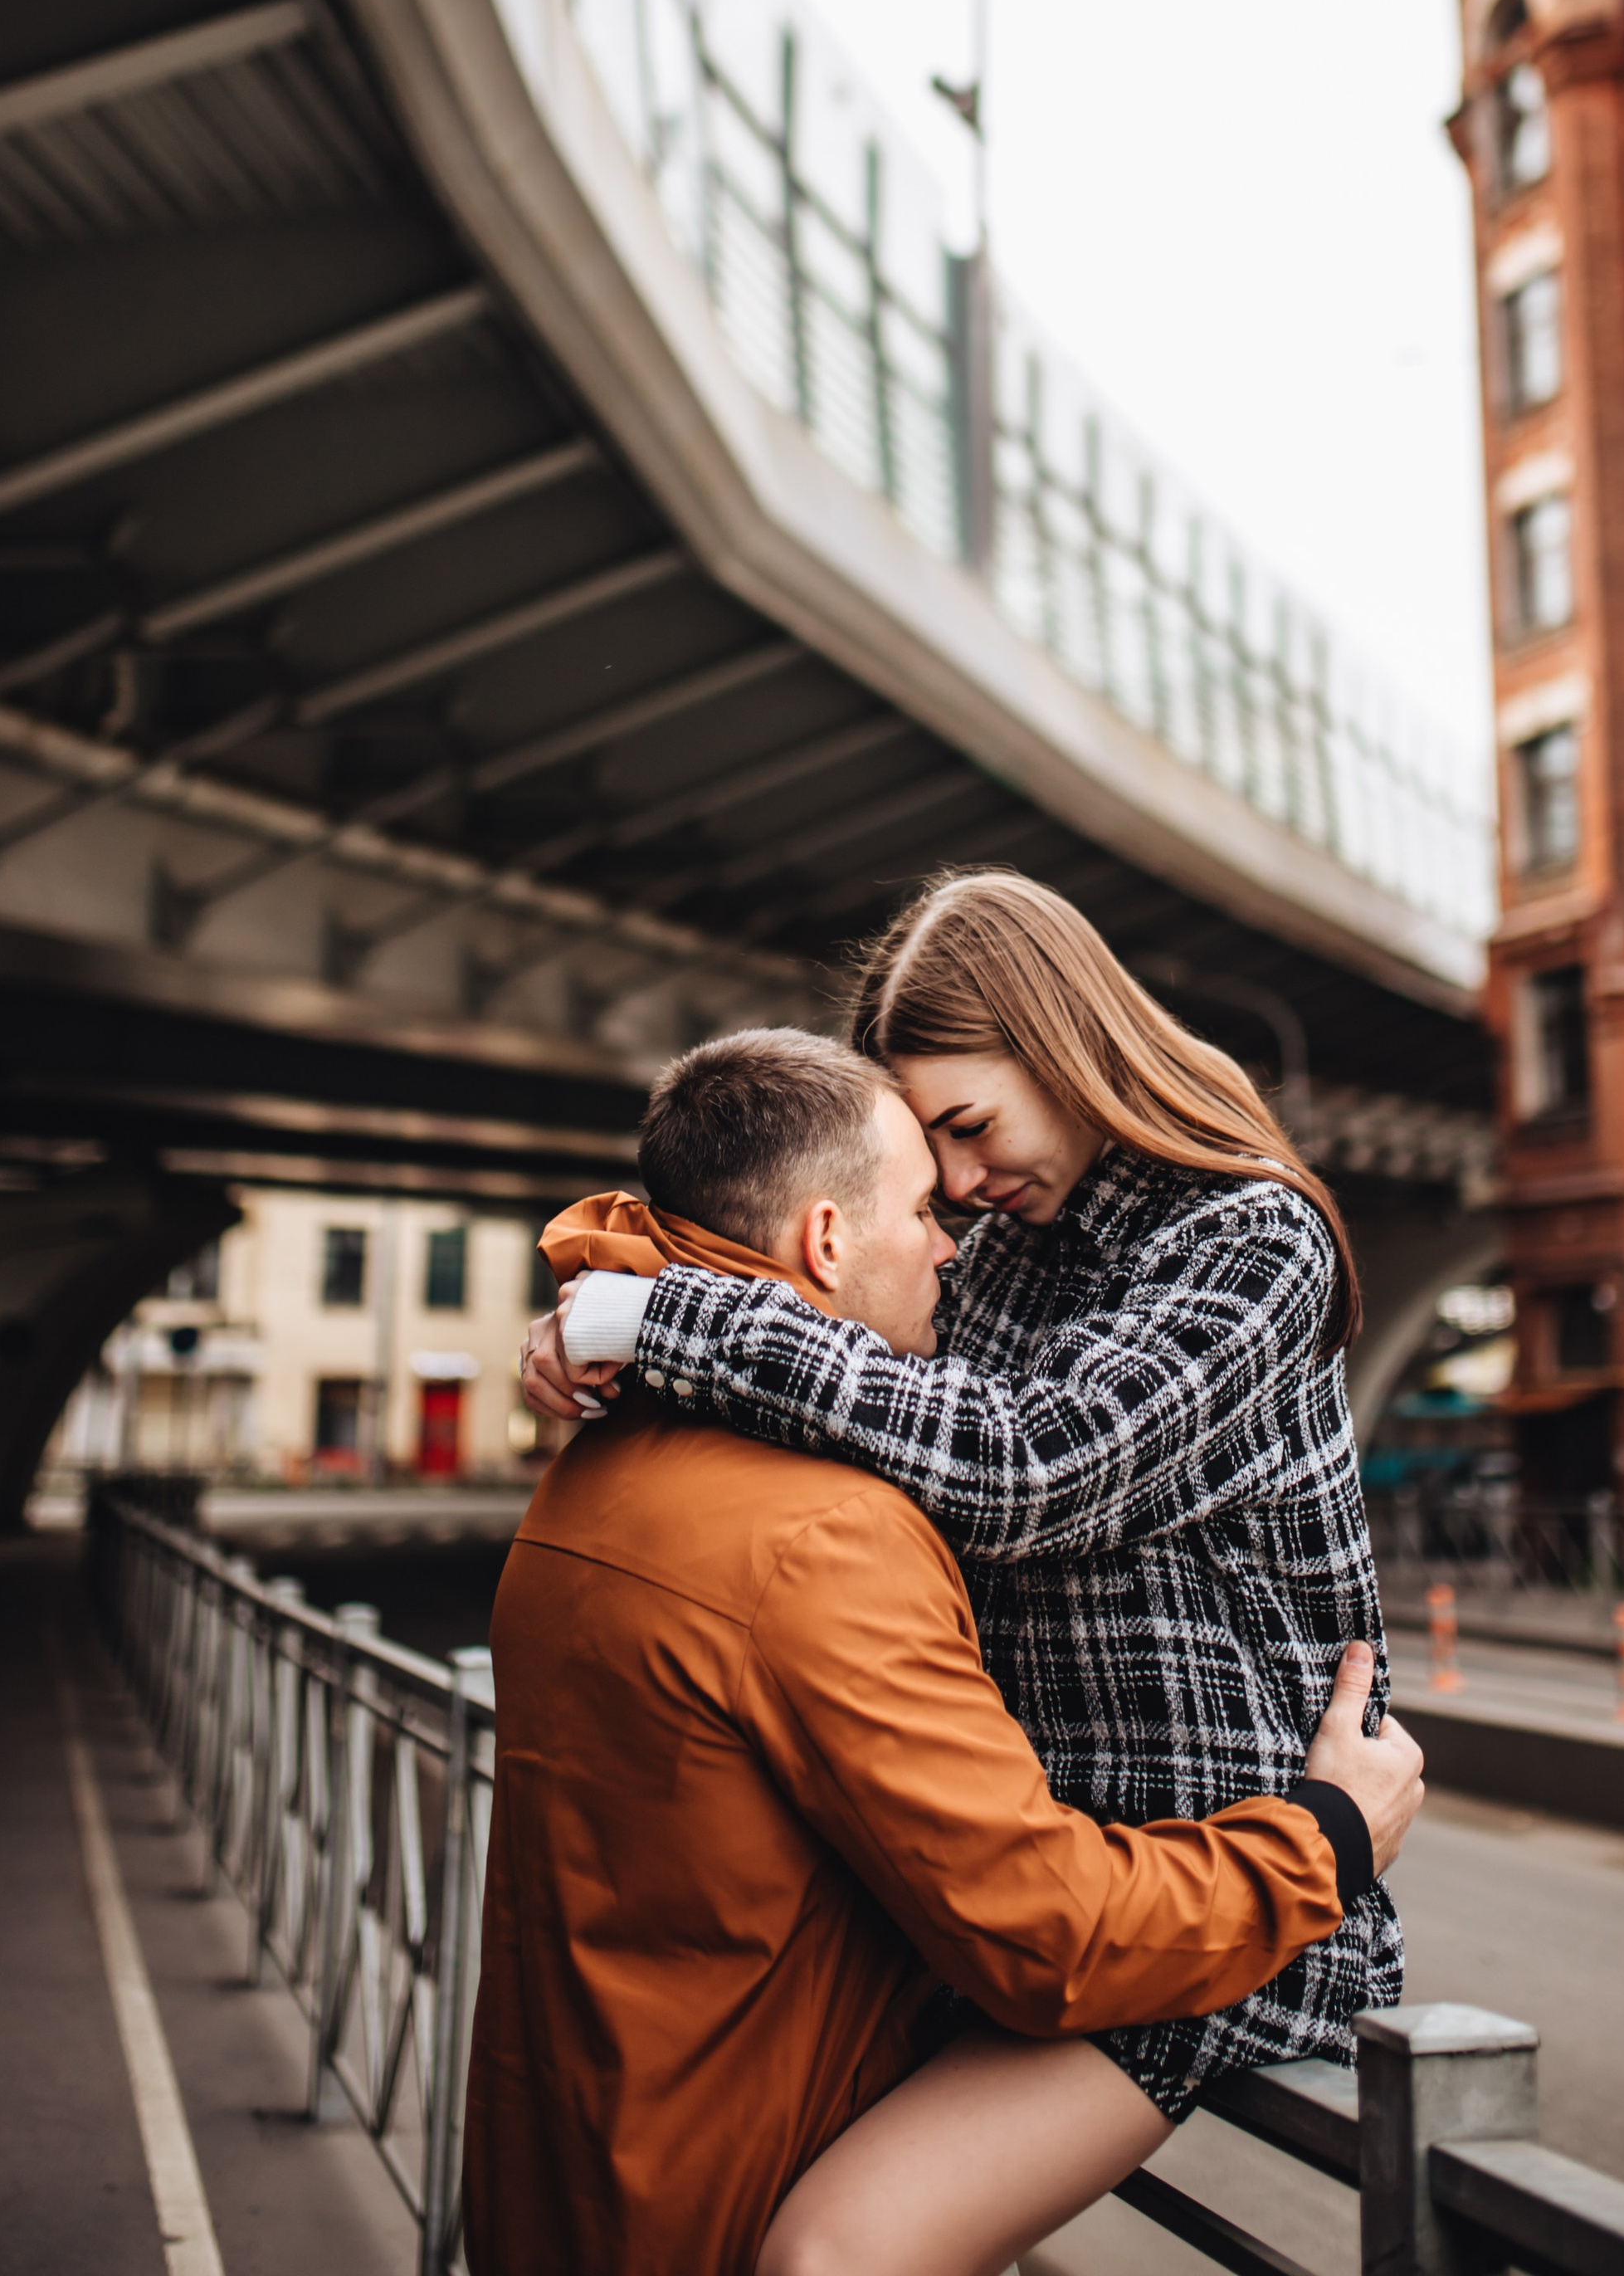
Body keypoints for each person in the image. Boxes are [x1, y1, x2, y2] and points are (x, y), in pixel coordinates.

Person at [524, 870, 1408, 2266]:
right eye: (933, 1162)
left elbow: (1023, 1467)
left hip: (1204, 1918)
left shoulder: (1249, 1242)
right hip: (1001, 1902)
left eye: (971, 1127)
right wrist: (605, 1306)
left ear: (1064, 1044)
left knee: (829, 2254)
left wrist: (661, 1314)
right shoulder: (998, 1248)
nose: (961, 1183)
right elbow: (835, 1357)